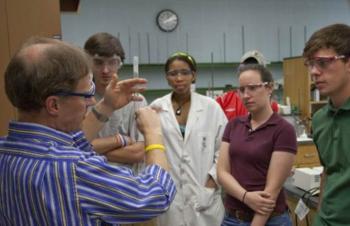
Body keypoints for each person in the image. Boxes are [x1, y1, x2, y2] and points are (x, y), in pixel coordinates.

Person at [0, 36, 176, 226]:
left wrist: (107, 105)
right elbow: (157, 195)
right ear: (54, 105)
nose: (92, 102)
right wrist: (154, 133)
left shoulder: (5, 152)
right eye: (85, 95)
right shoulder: (75, 169)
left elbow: (76, 144)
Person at [150, 52, 227, 226]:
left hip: (205, 196)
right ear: (167, 78)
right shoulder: (156, 108)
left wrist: (210, 185)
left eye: (185, 73)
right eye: (173, 73)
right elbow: (149, 151)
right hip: (170, 197)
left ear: (194, 75)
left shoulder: (211, 108)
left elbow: (224, 150)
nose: (179, 78)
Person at [217, 64, 297, 226]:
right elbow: (222, 173)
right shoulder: (233, 125)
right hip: (232, 217)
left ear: (269, 88)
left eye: (252, 88)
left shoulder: (283, 130)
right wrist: (246, 197)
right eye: (242, 89)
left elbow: (270, 193)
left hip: (269, 220)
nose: (246, 95)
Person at [302, 23, 350, 226]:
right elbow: (328, 171)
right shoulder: (320, 119)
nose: (314, 71)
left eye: (323, 63)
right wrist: (321, 212)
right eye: (310, 64)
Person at [83, 32, 147, 173]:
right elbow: (73, 147)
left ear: (120, 64)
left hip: (127, 184)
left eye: (112, 62)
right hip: (90, 182)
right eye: (98, 62)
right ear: (87, 63)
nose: (105, 70)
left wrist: (92, 151)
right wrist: (119, 140)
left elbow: (137, 153)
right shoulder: (80, 98)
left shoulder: (135, 99)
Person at [216, 50, 278, 121]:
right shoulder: (224, 100)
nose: (249, 70)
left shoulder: (271, 105)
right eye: (246, 67)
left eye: (255, 67)